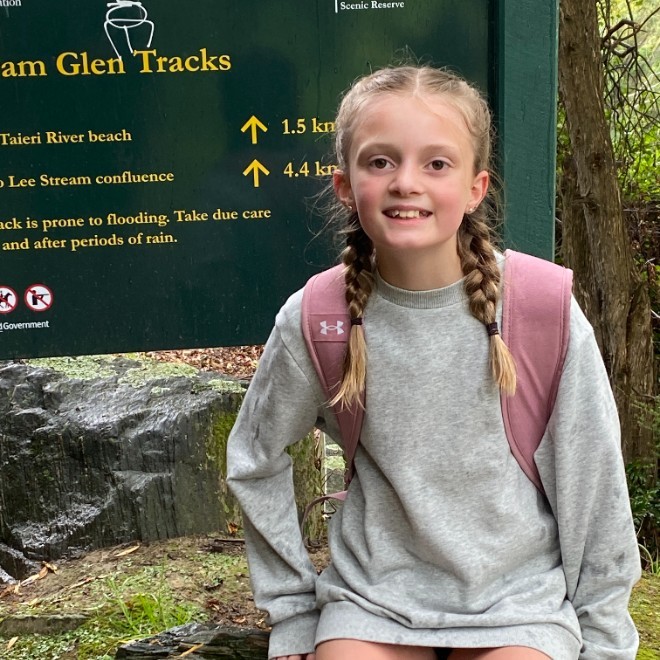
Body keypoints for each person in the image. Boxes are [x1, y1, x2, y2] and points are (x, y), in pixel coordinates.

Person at [226, 65, 641, 660]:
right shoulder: (318, 316)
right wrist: (291, 608)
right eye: (380, 162)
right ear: (344, 185)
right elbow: (254, 458)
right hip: (372, 602)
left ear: (476, 187)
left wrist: (603, 639)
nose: (406, 183)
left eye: (437, 163)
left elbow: (592, 483)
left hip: (518, 603)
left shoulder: (542, 309)